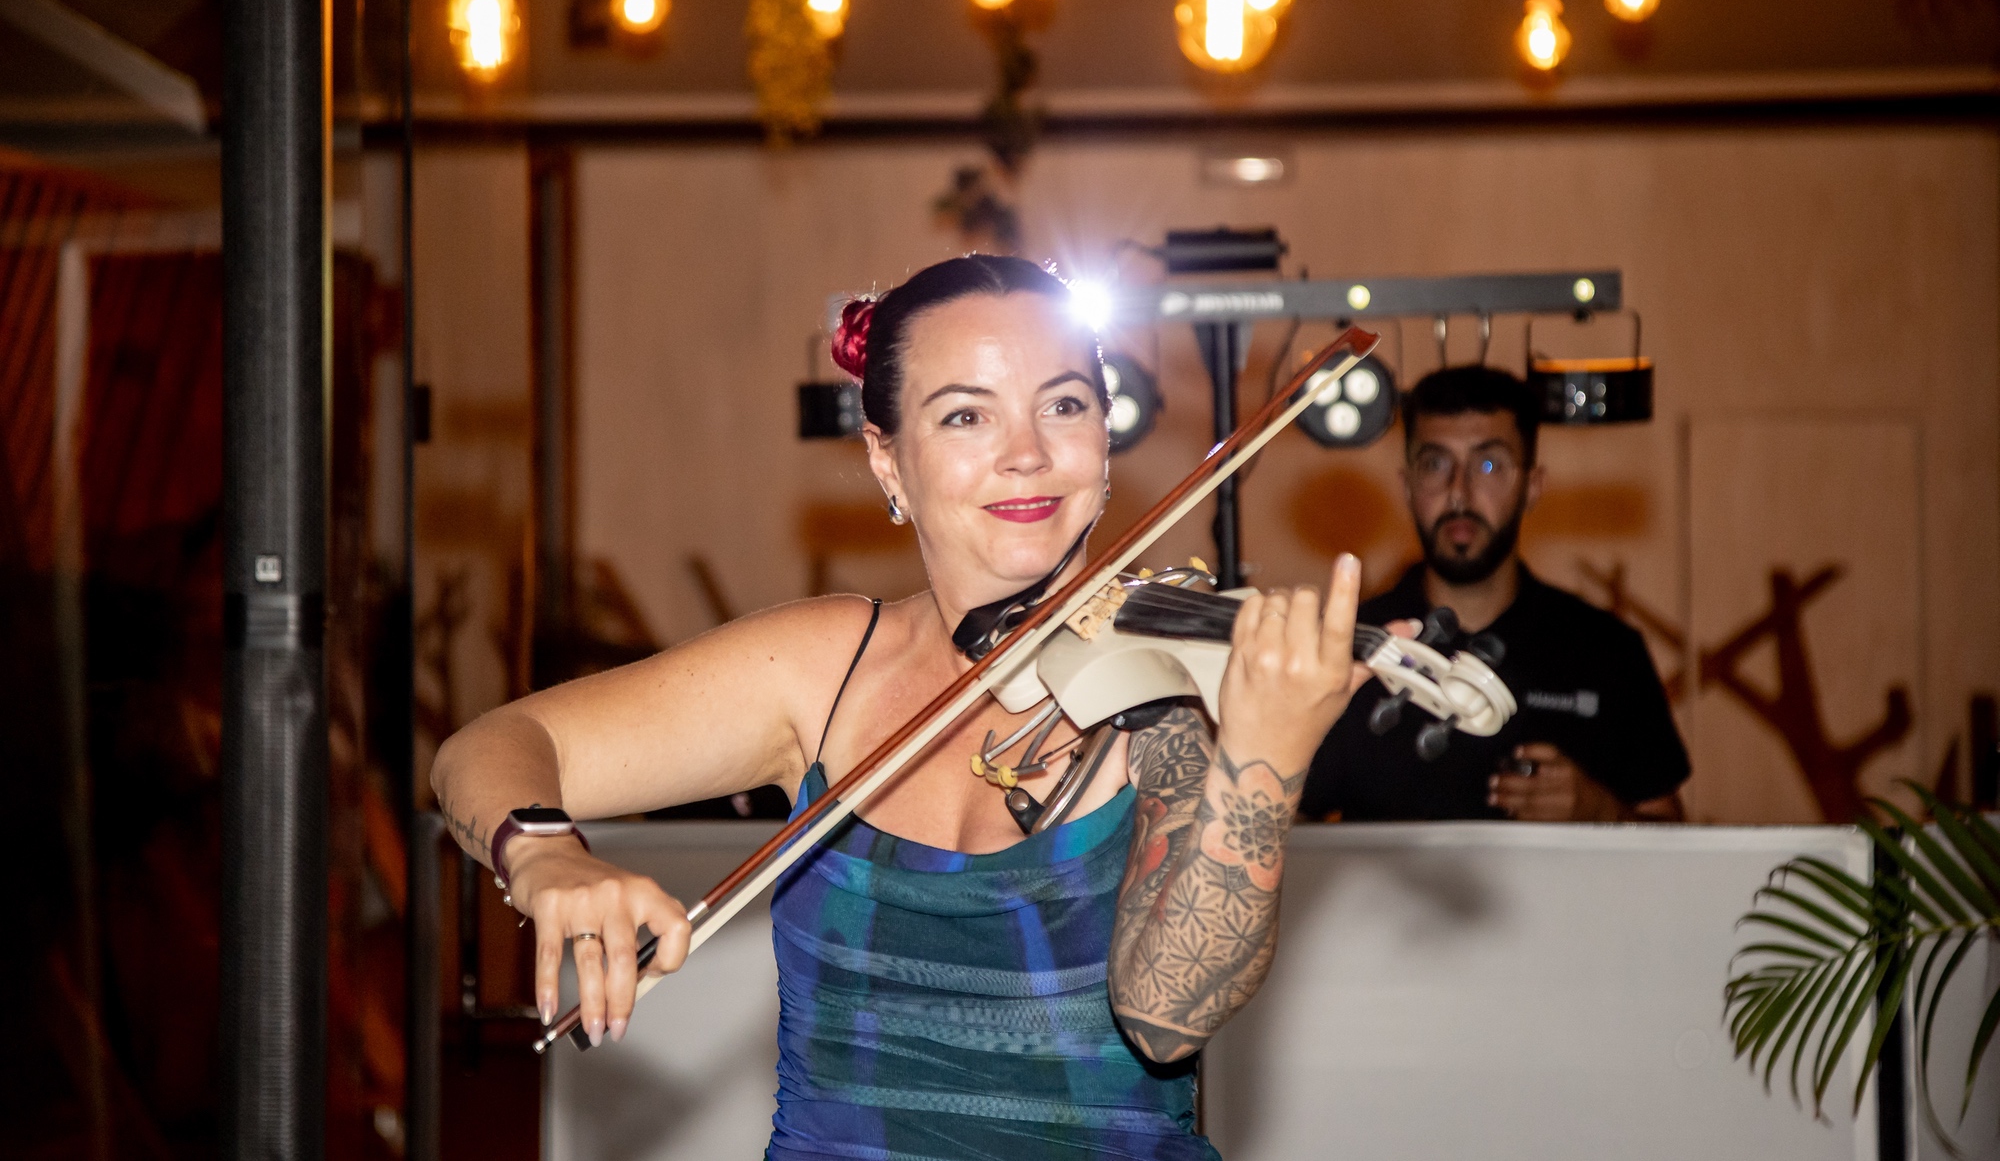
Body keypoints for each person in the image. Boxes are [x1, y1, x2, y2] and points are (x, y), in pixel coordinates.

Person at [431, 255, 1381, 1161]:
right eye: (967, 415)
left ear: (1103, 436)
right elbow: (492, 745)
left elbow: (1168, 1016)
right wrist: (544, 853)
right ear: (887, 460)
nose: (1027, 453)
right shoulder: (822, 670)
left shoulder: (1171, 696)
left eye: (1064, 404)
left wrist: (1264, 754)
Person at [1300, 365, 1690, 824]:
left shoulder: (1607, 651)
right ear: (1406, 486)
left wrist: (1601, 811)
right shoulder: (1348, 648)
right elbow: (1281, 829)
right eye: (1435, 464)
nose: (1459, 493)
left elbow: (1671, 835)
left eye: (1488, 465)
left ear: (1532, 486)